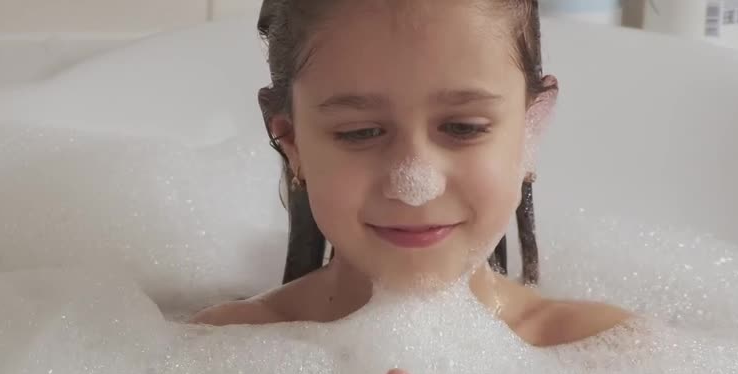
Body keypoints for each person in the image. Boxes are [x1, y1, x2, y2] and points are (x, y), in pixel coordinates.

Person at [193, 0, 630, 348]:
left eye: (463, 128)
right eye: (360, 132)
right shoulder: (217, 354)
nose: (414, 183)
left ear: (530, 129)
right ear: (293, 145)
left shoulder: (607, 354)